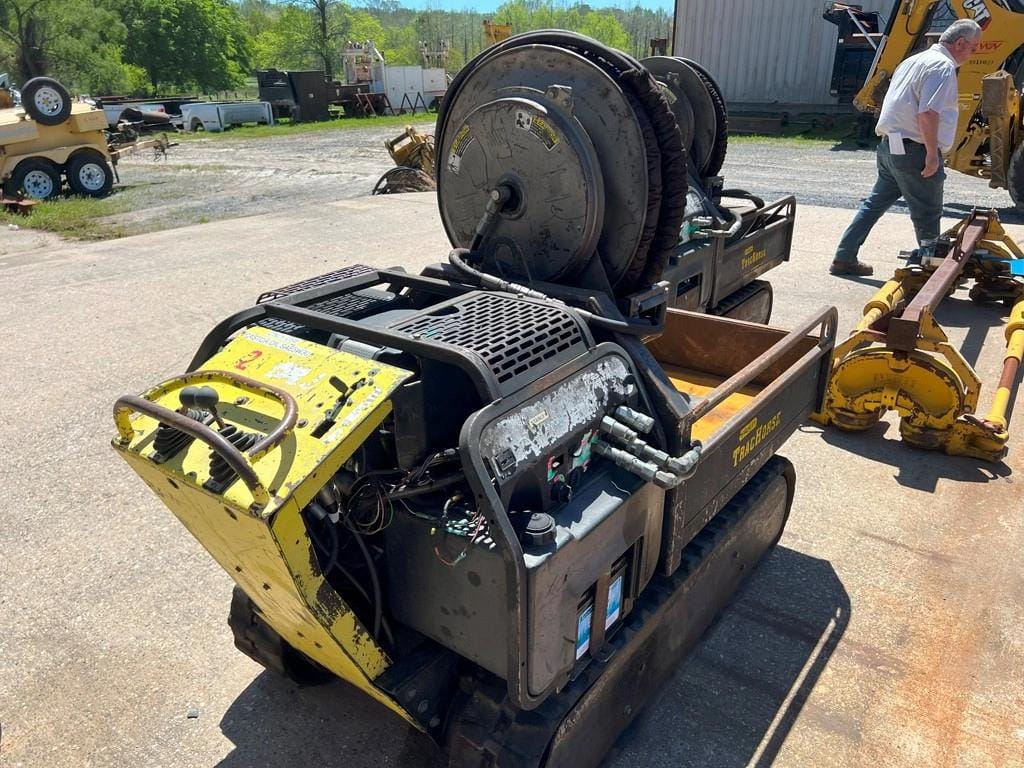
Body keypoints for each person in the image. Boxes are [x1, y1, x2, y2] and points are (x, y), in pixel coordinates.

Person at [830, 18, 982, 277]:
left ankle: (844, 256)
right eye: (974, 48)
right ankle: (931, 271)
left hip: (891, 147)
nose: (974, 54)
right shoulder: (942, 67)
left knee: (873, 205)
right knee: (927, 213)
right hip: (915, 150)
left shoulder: (912, 61)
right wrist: (932, 154)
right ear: (960, 43)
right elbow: (928, 113)